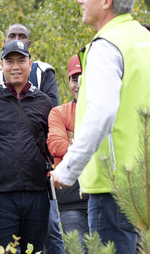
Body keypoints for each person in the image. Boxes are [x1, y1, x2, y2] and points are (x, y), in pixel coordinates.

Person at [51, 0, 150, 254]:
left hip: (116, 189)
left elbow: (101, 114)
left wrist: (68, 170)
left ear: (106, 0)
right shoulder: (147, 41)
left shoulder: (106, 47)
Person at [0, 41, 53, 251]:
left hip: (37, 194)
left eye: (21, 60)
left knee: (34, 250)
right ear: (1, 65)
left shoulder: (43, 102)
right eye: (9, 61)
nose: (15, 66)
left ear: (30, 64)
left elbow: (50, 144)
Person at [46, 54, 89, 247]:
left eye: (83, 77)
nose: (78, 84)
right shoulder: (59, 113)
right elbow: (55, 146)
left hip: (105, 196)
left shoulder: (108, 110)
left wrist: (72, 139)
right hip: (70, 199)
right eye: (74, 78)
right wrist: (90, 143)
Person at [0, 24, 60, 107]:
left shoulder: (43, 72)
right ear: (4, 42)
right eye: (12, 36)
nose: (17, 40)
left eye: (22, 36)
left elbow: (53, 109)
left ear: (29, 43)